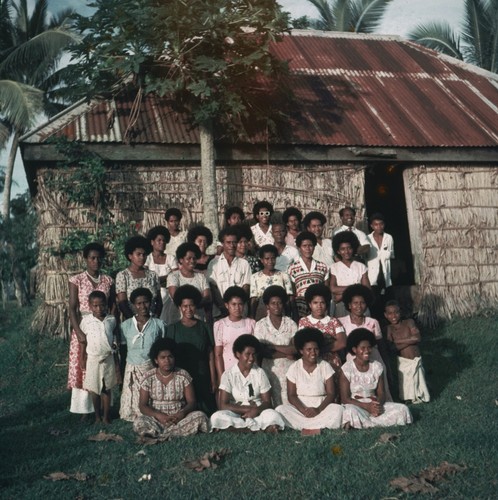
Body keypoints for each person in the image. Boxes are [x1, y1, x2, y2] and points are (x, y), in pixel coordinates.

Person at [68, 242, 114, 417]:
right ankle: (84, 410)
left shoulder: (108, 280)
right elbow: (72, 308)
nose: (96, 261)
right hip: (84, 329)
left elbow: (112, 306)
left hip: (102, 329)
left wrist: (111, 328)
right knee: (84, 366)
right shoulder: (76, 280)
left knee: (102, 365)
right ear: (86, 259)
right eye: (92, 258)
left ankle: (104, 408)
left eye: (99, 258)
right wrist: (79, 333)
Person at [134, 337, 209, 440]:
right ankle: (173, 433)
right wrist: (159, 415)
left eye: (170, 357)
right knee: (140, 421)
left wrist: (181, 414)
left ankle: (161, 434)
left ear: (175, 358)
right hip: (157, 419)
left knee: (200, 416)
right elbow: (142, 405)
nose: (167, 361)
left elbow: (192, 402)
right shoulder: (148, 377)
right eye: (162, 357)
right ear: (156, 360)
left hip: (179, 419)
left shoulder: (183, 375)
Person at [210, 335, 285, 432]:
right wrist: (247, 409)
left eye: (253, 354)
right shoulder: (228, 374)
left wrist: (256, 410)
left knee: (273, 415)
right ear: (238, 354)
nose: (251, 358)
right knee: (216, 416)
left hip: (257, 412)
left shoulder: (260, 373)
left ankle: (239, 428)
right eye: (248, 354)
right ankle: (258, 428)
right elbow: (223, 405)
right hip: (236, 412)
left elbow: (267, 402)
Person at [340, 329, 412, 429]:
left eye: (369, 347)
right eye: (363, 348)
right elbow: (345, 398)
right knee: (350, 412)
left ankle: (366, 423)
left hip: (374, 403)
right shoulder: (346, 368)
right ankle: (374, 422)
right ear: (354, 349)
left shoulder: (377, 366)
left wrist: (377, 406)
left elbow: (381, 393)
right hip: (357, 405)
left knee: (403, 409)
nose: (367, 351)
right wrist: (366, 407)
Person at [275, 328, 343, 431]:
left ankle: (303, 426)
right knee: (280, 409)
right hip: (301, 409)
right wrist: (304, 410)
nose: (313, 352)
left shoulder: (325, 366)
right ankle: (317, 425)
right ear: (301, 351)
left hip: (321, 408)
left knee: (338, 409)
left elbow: (331, 394)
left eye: (316, 349)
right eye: (309, 349)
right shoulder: (294, 367)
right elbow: (291, 395)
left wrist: (318, 410)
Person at [166, 285, 217, 415]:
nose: (188, 309)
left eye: (191, 306)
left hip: (202, 373)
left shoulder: (204, 327)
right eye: (185, 306)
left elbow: (210, 354)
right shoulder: (172, 329)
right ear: (179, 307)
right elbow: (168, 355)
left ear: (196, 307)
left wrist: (213, 377)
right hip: (181, 374)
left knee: (207, 412)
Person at [119, 287, 167, 421]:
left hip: (150, 367)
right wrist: (122, 370)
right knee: (133, 395)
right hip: (132, 367)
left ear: (151, 303)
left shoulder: (159, 324)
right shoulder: (126, 326)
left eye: (146, 302)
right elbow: (123, 350)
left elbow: (162, 349)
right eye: (138, 303)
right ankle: (132, 412)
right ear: (133, 305)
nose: (143, 306)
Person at [338, 284, 392, 401]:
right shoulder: (341, 322)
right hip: (352, 358)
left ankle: (380, 404)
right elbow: (341, 346)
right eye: (355, 303)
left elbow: (381, 346)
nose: (359, 306)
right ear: (349, 305)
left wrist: (387, 366)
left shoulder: (373, 322)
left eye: (362, 303)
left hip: (373, 356)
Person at [254, 286, 298, 405]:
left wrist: (272, 347)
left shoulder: (291, 323)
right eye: (273, 303)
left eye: (279, 303)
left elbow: (295, 350)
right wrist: (286, 352)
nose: (276, 306)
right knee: (272, 404)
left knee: (290, 404)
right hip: (269, 370)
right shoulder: (260, 325)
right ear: (267, 305)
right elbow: (262, 351)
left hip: (290, 371)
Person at [81, 291, 118, 424]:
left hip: (107, 359)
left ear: (106, 305)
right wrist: (82, 358)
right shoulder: (86, 321)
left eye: (102, 305)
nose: (99, 309)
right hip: (92, 359)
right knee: (94, 389)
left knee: (106, 388)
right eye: (95, 306)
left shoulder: (111, 319)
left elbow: (114, 335)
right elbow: (83, 341)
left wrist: (114, 345)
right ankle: (97, 416)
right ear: (90, 306)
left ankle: (106, 416)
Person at [385, 301, 430, 404]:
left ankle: (421, 395)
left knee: (419, 381)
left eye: (396, 312)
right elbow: (392, 348)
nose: (394, 316)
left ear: (400, 312)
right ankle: (409, 398)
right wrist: (410, 339)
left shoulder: (409, 322)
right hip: (404, 362)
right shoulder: (389, 329)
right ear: (386, 315)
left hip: (415, 358)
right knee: (406, 384)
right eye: (390, 313)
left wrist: (398, 341)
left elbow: (417, 338)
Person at [298, 284, 346, 373]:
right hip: (312, 363)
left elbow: (342, 342)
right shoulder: (303, 322)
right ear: (310, 304)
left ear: (326, 304)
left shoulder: (334, 321)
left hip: (332, 362)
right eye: (315, 303)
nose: (319, 306)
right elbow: (302, 343)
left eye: (322, 303)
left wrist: (320, 350)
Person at [213, 287, 255, 388]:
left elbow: (255, 353)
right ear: (227, 305)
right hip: (228, 373)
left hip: (248, 373)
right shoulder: (220, 325)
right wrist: (222, 377)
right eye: (233, 304)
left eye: (240, 304)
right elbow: (218, 354)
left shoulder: (251, 323)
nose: (237, 308)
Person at [207, 227, 251, 318]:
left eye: (234, 242)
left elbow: (246, 287)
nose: (232, 245)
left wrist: (236, 307)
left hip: (240, 313)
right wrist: (224, 307)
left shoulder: (244, 263)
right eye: (228, 242)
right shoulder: (213, 264)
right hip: (220, 312)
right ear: (222, 243)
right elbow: (213, 288)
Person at [116, 236, 162, 320]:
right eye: (138, 254)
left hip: (152, 321)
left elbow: (159, 302)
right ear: (130, 256)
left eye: (144, 254)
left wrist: (154, 319)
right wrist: (134, 322)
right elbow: (122, 303)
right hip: (131, 321)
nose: (142, 257)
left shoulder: (153, 275)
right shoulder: (123, 276)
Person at [288, 231, 330, 319]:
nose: (308, 249)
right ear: (299, 248)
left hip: (319, 306)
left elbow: (326, 290)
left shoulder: (322, 266)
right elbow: (293, 293)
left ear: (314, 247)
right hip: (301, 306)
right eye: (304, 246)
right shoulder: (293, 268)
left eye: (310, 245)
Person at [167, 242, 211, 322]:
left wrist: (192, 305)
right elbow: (175, 297)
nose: (192, 261)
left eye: (194, 258)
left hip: (198, 320)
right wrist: (195, 303)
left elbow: (207, 298)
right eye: (188, 258)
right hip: (178, 319)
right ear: (181, 259)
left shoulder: (201, 277)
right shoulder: (173, 276)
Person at [330, 231, 370, 317]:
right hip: (342, 305)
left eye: (349, 248)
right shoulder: (334, 267)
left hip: (360, 305)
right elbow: (333, 288)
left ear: (353, 249)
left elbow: (367, 289)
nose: (346, 252)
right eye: (342, 249)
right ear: (338, 251)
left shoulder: (361, 266)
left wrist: (342, 295)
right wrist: (356, 287)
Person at [250, 244, 293, 321]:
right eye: (267, 259)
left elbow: (290, 299)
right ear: (262, 260)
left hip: (281, 313)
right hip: (262, 314)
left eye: (273, 258)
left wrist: (290, 317)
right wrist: (252, 318)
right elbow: (254, 300)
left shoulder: (284, 275)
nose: (270, 261)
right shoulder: (255, 277)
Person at [145, 225, 177, 323]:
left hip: (169, 295)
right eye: (159, 240)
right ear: (152, 242)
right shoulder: (147, 259)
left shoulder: (171, 258)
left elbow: (175, 277)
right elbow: (146, 278)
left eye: (164, 240)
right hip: (152, 295)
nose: (162, 243)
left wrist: (157, 279)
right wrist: (167, 277)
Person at [367, 213, 395, 320]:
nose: (379, 227)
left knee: (387, 303)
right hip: (372, 279)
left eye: (381, 224)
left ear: (384, 225)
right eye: (376, 224)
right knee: (374, 304)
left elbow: (391, 256)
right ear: (372, 226)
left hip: (386, 278)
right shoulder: (367, 239)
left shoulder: (389, 238)